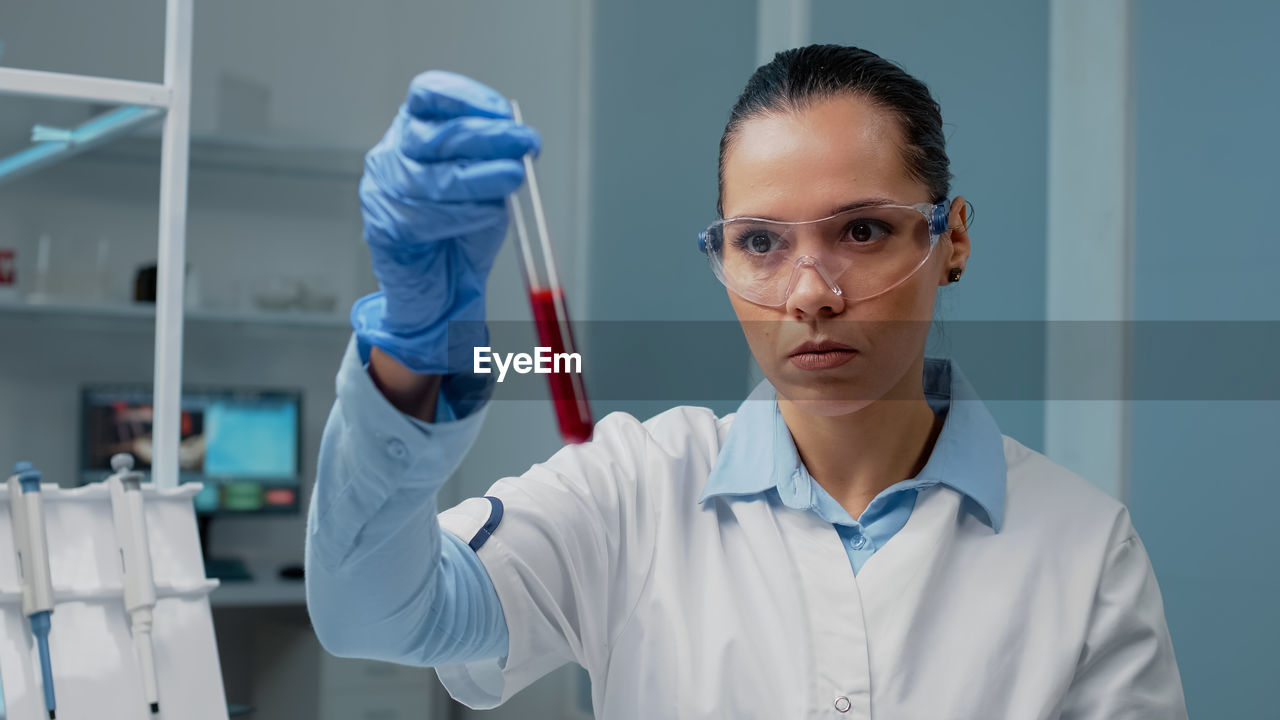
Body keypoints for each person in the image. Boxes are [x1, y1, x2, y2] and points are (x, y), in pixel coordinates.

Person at [306, 45, 1187, 718]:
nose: (811, 293)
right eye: (761, 242)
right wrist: (410, 356)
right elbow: (374, 616)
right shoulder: (632, 491)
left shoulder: (1084, 548)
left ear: (949, 238)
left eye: (864, 231)